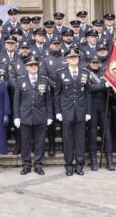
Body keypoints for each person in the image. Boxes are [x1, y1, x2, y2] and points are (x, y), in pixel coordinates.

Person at [55, 48, 91, 176]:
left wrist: (88, 112)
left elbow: (88, 93)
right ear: (67, 59)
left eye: (75, 57)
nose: (73, 59)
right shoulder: (60, 73)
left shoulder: (85, 72)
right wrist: (58, 111)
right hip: (66, 110)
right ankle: (69, 164)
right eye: (70, 57)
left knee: (80, 139)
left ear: (79, 58)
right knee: (68, 139)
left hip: (81, 110)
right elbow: (57, 94)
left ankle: (80, 164)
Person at [14, 55, 52, 175]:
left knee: (39, 142)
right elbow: (16, 100)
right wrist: (16, 117)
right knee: (25, 142)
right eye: (31, 65)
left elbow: (48, 100)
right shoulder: (21, 80)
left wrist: (50, 116)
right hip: (25, 116)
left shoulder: (44, 80)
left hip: (40, 116)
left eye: (35, 65)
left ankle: (38, 164)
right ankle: (26, 164)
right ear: (26, 67)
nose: (34, 67)